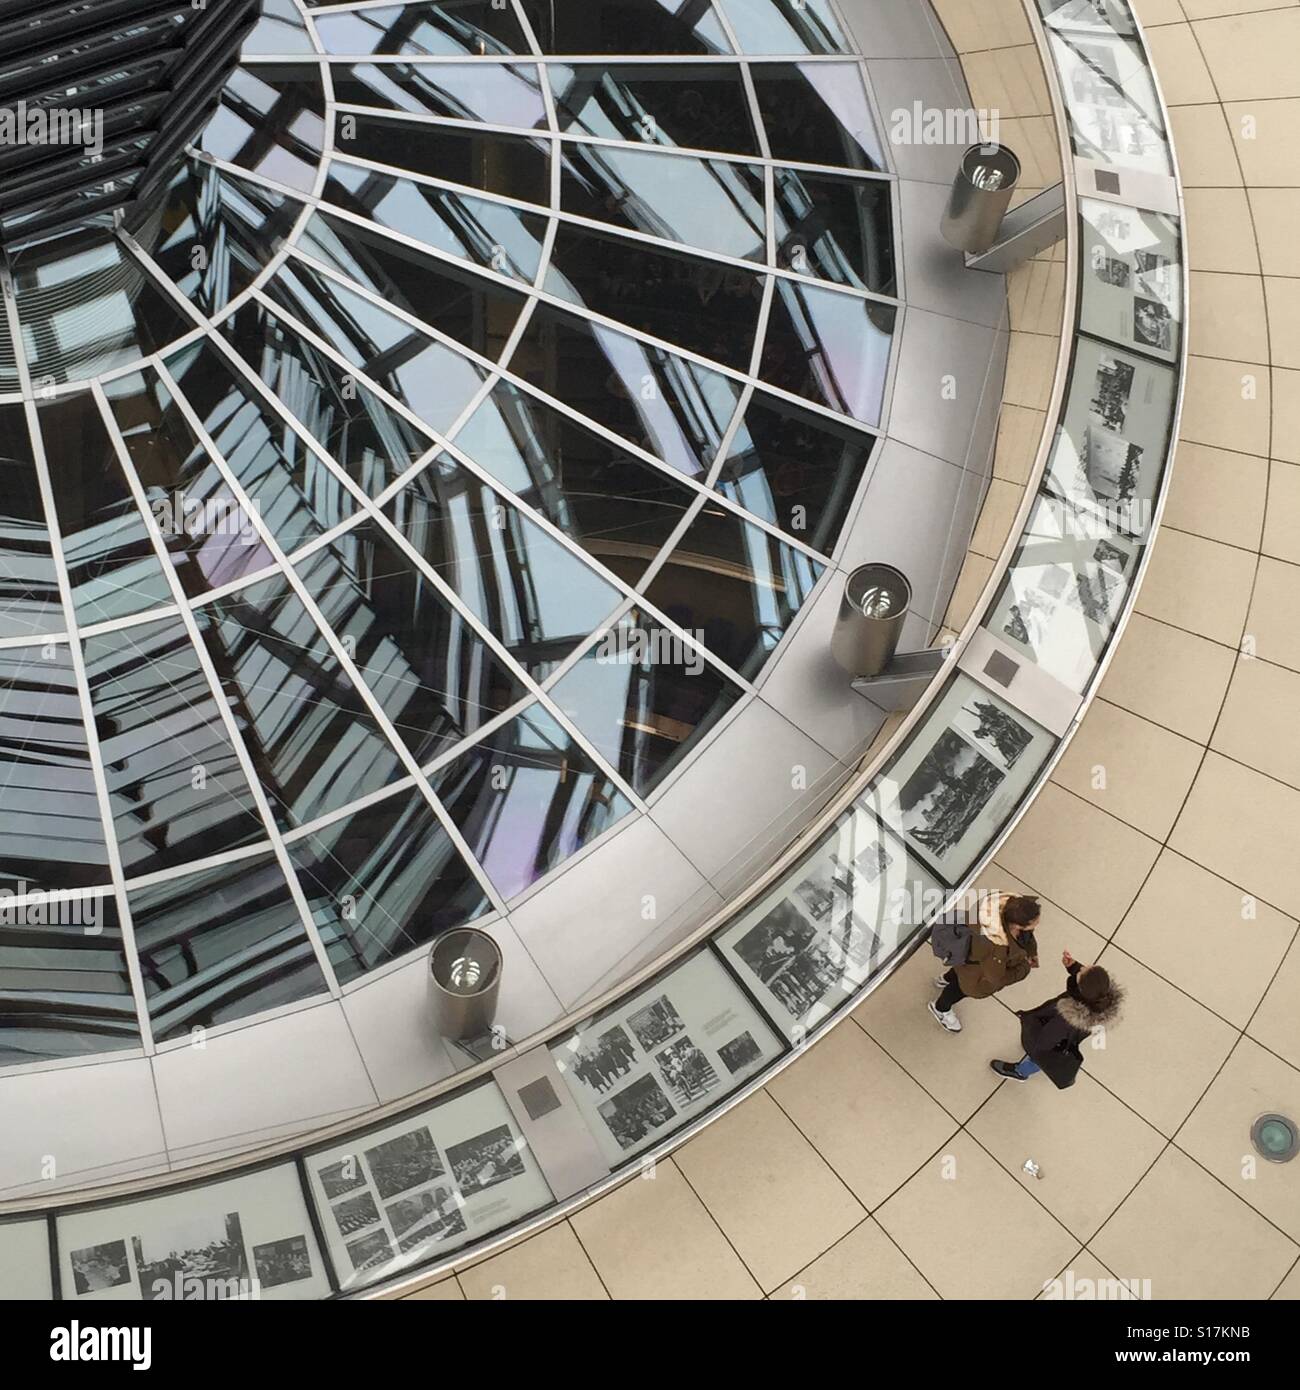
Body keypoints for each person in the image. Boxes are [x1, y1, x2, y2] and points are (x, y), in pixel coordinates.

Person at [991, 951, 1122, 1085]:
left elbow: (1043, 1045)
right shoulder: (1100, 997)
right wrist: (1073, 967)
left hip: (1050, 1043)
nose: (1082, 967)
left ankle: (1021, 1072)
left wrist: (1029, 1028)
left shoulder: (1065, 1021)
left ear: (1082, 989)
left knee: (1038, 1059)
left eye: (1082, 971)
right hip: (1070, 1035)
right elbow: (1089, 982)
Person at [928, 892, 1040, 1033]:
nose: (1037, 923)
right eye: (1034, 922)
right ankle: (940, 1008)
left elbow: (1028, 936)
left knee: (960, 973)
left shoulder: (1004, 910)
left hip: (967, 959)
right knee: (960, 989)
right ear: (1017, 925)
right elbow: (996, 978)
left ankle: (944, 979)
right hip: (977, 975)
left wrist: (1031, 951)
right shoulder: (997, 947)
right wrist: (1024, 968)